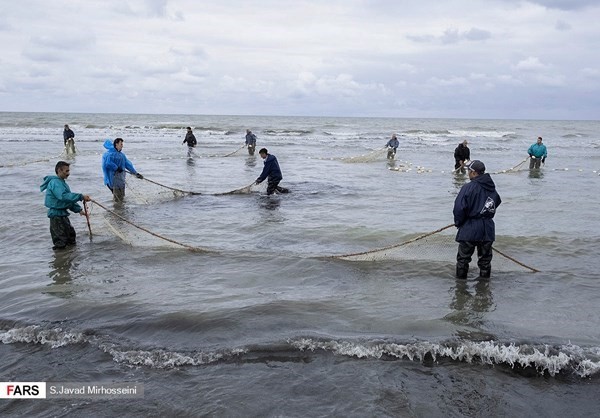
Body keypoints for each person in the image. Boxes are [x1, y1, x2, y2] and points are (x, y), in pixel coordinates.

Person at [453, 160, 501, 279]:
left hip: (470, 227)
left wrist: (459, 223)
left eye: (469, 171)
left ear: (474, 173)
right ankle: (484, 287)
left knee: (463, 259)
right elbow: (497, 201)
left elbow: (459, 208)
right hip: (487, 229)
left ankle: (461, 286)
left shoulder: (468, 187)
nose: (468, 173)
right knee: (485, 261)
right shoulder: (492, 188)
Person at [40, 161, 91, 250]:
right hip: (56, 216)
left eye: (69, 171)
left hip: (63, 215)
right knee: (61, 242)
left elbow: (68, 201)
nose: (69, 173)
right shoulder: (55, 183)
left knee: (71, 237)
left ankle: (70, 257)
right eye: (66, 171)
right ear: (59, 170)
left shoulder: (62, 183)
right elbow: (63, 197)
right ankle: (60, 261)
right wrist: (81, 196)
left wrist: (79, 210)